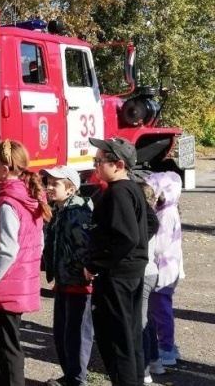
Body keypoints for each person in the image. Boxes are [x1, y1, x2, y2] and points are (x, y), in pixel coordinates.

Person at [0, 139, 52, 386]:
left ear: (5, 168)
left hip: (7, 284)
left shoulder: (9, 202)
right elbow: (38, 242)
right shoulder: (28, 195)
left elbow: (8, 249)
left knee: (7, 346)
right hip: (18, 280)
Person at [83, 137, 148, 386]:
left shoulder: (119, 192)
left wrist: (96, 264)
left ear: (119, 164)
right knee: (130, 336)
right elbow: (149, 224)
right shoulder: (133, 188)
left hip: (118, 276)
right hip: (131, 270)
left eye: (99, 161)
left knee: (116, 339)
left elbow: (127, 237)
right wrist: (137, 251)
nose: (96, 165)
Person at [40, 166, 94, 386]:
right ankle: (70, 376)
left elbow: (85, 247)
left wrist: (84, 273)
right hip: (64, 281)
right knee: (63, 334)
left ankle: (77, 379)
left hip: (78, 284)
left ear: (71, 189)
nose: (49, 187)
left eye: (56, 184)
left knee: (77, 335)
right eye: (48, 182)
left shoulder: (77, 212)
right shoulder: (60, 210)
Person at [146, 171, 185, 366]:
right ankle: (168, 345)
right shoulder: (170, 210)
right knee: (160, 310)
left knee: (160, 311)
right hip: (168, 268)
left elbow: (159, 245)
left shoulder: (166, 214)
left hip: (163, 270)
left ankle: (166, 348)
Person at [137, 182, 164, 384]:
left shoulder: (143, 219)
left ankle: (145, 371)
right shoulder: (151, 216)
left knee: (140, 322)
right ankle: (155, 360)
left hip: (143, 273)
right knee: (146, 318)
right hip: (150, 271)